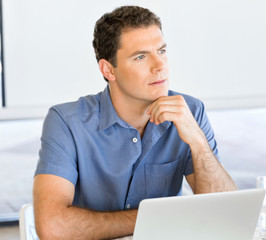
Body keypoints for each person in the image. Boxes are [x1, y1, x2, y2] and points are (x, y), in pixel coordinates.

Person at [33, 5, 237, 240]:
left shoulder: (190, 111)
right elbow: (53, 227)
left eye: (161, 51)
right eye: (140, 57)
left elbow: (226, 215)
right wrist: (159, 218)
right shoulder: (66, 123)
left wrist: (198, 142)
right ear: (108, 70)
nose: (160, 66)